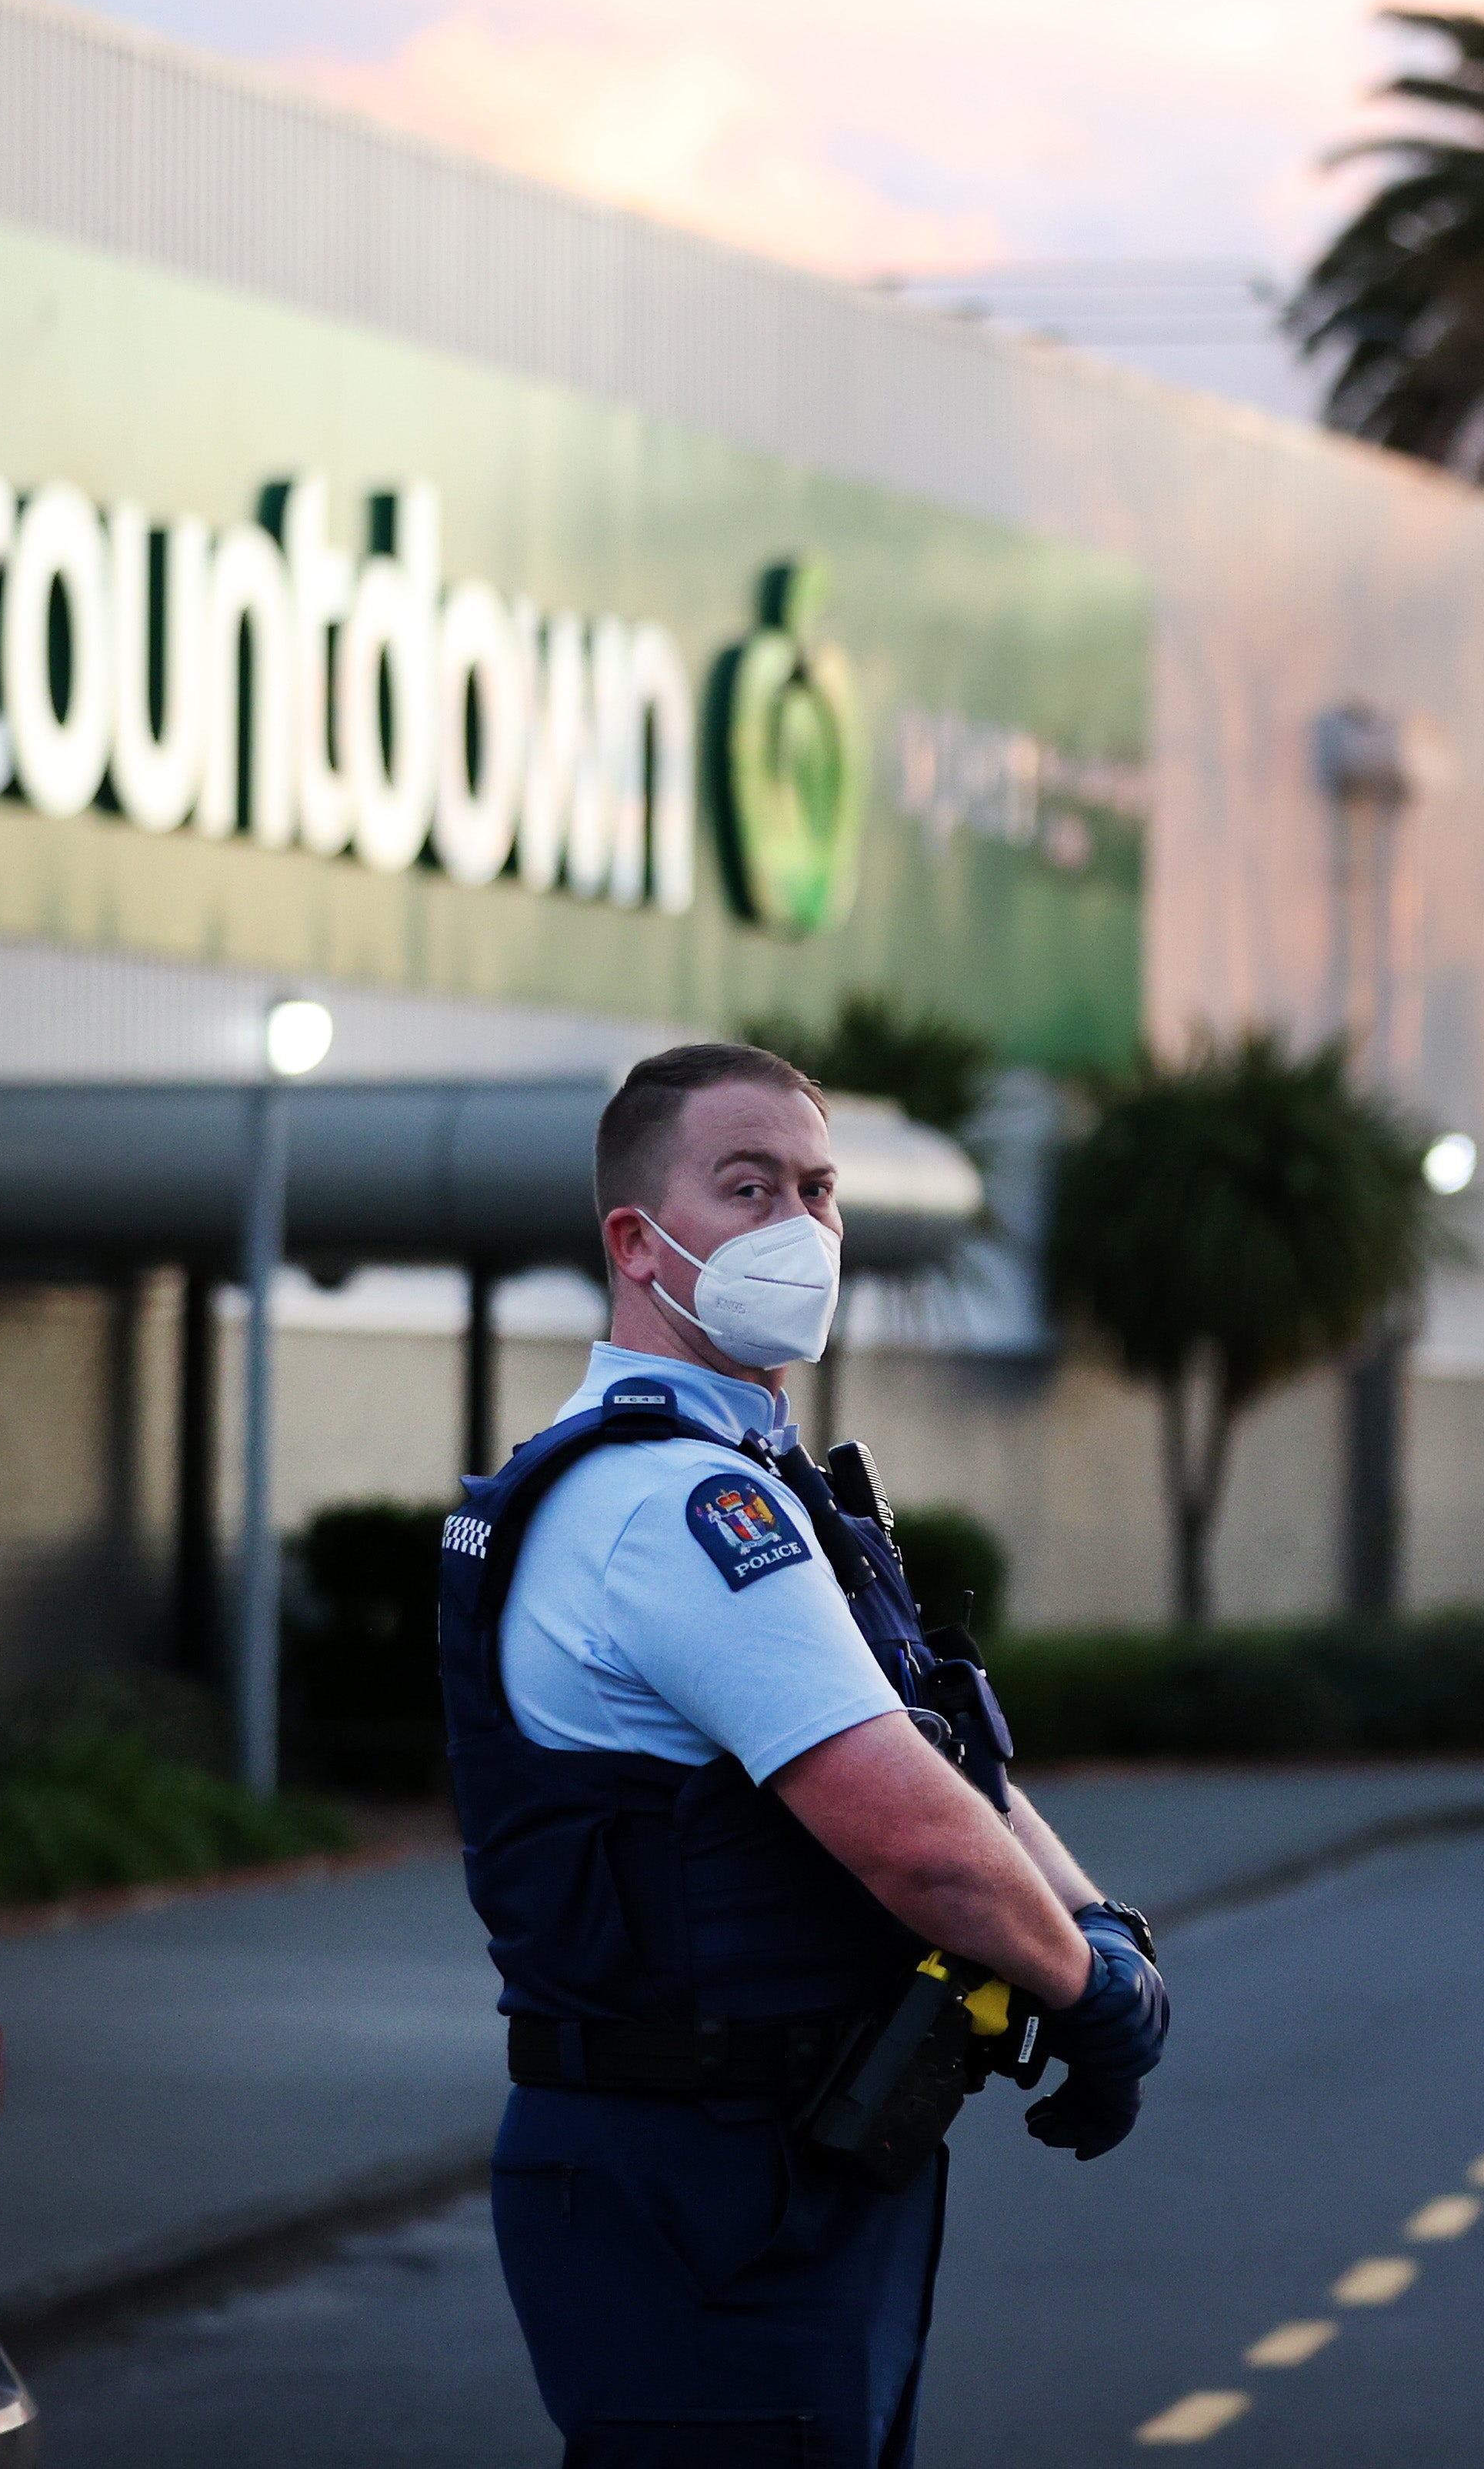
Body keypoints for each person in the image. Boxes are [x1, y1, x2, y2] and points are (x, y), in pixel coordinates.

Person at [435, 1043, 1166, 2467]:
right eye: (748, 1186)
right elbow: (910, 1835)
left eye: (818, 1191)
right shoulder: (676, 1507)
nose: (801, 1228)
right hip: (701, 2178)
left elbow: (948, 1761)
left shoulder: (758, 1478)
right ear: (638, 1245)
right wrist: (1092, 1997)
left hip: (787, 2160)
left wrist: (1088, 1933)